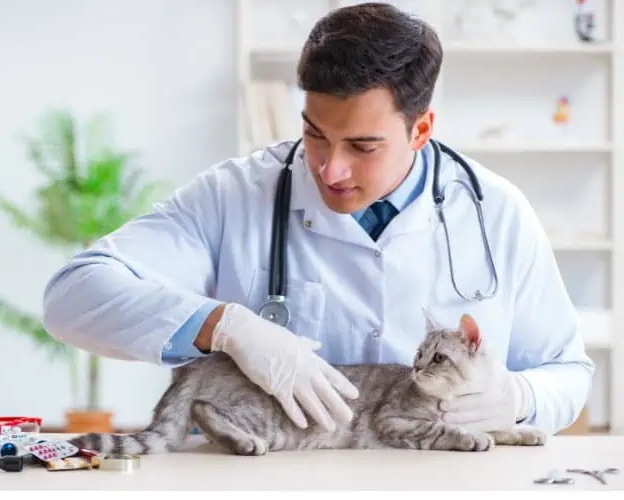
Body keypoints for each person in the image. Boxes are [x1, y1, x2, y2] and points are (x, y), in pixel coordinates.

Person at [42, 2, 594, 436]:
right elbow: (73, 294)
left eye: (363, 145)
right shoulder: (234, 195)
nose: (331, 168)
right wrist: (226, 327)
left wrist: (518, 400)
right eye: (314, 134)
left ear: (420, 131)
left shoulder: (496, 211)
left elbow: (568, 374)